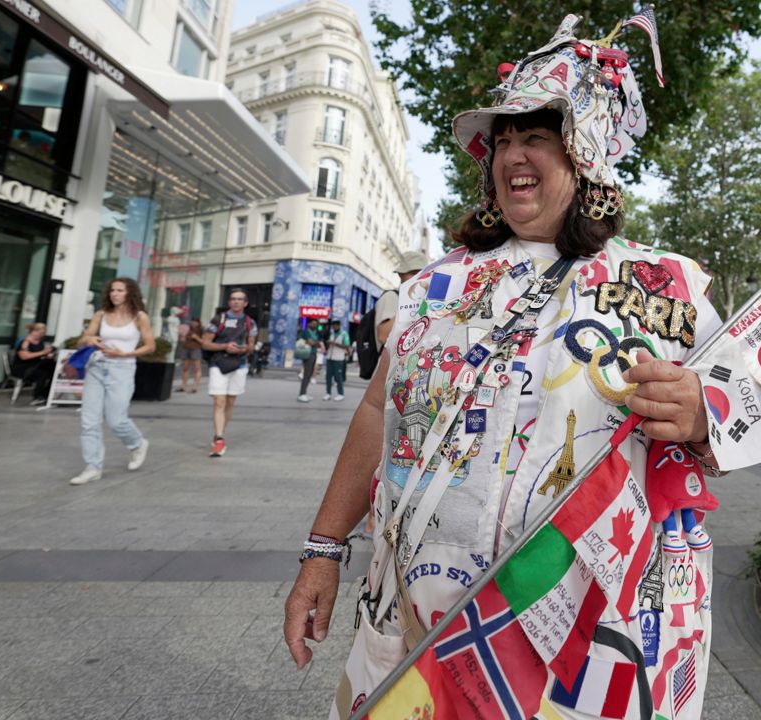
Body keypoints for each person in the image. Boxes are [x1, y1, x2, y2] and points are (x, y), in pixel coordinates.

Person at [284, 16, 723, 719]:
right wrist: (322, 548)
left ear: (585, 156)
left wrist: (701, 415)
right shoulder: (435, 287)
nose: (513, 154)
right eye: (504, 140)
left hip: (582, 635)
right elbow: (378, 411)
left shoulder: (665, 286)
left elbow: (741, 416)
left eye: (537, 136)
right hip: (420, 618)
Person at [68, 278, 155, 486]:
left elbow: (150, 346)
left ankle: (137, 444)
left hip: (122, 369)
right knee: (89, 421)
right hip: (97, 368)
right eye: (112, 290)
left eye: (120, 290)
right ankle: (93, 467)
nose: (114, 294)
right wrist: (89, 339)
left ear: (129, 293)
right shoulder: (101, 314)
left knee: (117, 420)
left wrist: (126, 353)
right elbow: (84, 338)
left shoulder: (139, 317)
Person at [201, 289, 257, 457]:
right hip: (218, 363)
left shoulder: (250, 323)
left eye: (240, 299)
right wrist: (224, 347)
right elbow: (205, 343)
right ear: (229, 302)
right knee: (219, 401)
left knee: (230, 402)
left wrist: (243, 349)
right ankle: (219, 439)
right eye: (233, 299)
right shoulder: (219, 319)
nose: (236, 302)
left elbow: (251, 346)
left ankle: (219, 434)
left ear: (245, 303)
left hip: (239, 365)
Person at [373, 251, 430, 350]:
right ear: (400, 274)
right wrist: (411, 302)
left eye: (423, 273)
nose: (418, 277)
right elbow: (383, 336)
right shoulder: (391, 297)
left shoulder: (424, 299)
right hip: (389, 364)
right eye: (413, 273)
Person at [10, 322, 56, 404]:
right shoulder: (25, 342)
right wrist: (43, 352)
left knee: (53, 369)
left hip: (35, 366)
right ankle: (37, 396)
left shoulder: (40, 342)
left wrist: (48, 354)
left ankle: (45, 394)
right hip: (23, 368)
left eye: (43, 333)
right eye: (40, 333)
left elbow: (41, 355)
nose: (41, 335)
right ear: (33, 331)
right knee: (42, 373)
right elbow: (24, 356)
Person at [323, 319, 350, 401]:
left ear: (339, 325)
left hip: (338, 359)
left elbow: (347, 346)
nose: (334, 327)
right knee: (328, 377)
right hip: (330, 357)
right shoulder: (331, 333)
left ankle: (340, 394)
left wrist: (335, 344)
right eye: (333, 325)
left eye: (335, 325)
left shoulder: (344, 334)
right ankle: (328, 393)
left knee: (338, 377)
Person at [296, 321, 323, 402]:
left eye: (316, 324)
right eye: (313, 323)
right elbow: (311, 342)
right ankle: (301, 394)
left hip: (314, 353)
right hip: (308, 354)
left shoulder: (315, 333)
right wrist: (316, 343)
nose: (314, 325)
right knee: (306, 374)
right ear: (309, 324)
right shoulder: (306, 332)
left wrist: (316, 343)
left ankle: (304, 392)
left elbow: (317, 344)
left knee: (310, 374)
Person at [176, 318, 204, 393]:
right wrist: (182, 338)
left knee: (197, 368)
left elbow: (204, 342)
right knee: (185, 368)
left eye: (196, 322)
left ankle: (195, 387)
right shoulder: (187, 329)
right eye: (193, 321)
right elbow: (182, 341)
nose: (194, 323)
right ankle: (183, 386)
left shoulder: (201, 330)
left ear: (199, 323)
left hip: (196, 349)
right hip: (186, 349)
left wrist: (196, 338)